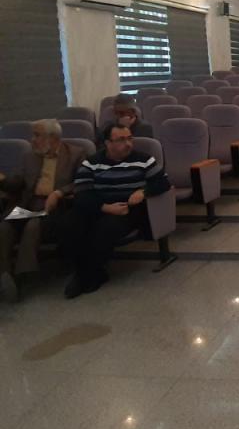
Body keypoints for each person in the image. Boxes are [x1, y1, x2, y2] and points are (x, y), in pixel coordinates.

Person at [62, 123, 171, 298]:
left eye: (129, 138)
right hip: (99, 206)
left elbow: (163, 182)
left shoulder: (144, 159)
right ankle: (87, 273)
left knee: (105, 229)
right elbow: (82, 192)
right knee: (71, 223)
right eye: (121, 140)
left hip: (127, 209)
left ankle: (88, 275)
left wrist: (143, 191)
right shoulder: (91, 162)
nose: (128, 144)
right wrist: (104, 207)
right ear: (107, 143)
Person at [0, 119, 86, 302]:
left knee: (33, 226)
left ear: (53, 138)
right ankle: (5, 274)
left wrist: (59, 192)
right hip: (29, 205)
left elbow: (82, 182)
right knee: (5, 227)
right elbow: (18, 183)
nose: (32, 140)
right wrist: (3, 180)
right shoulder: (30, 156)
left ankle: (21, 276)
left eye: (37, 135)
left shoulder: (76, 154)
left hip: (57, 206)